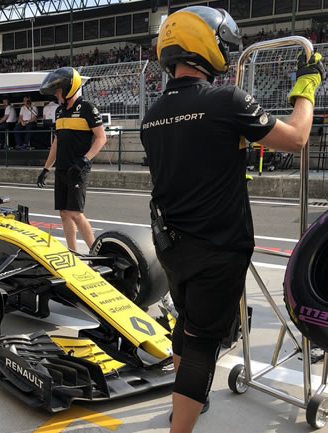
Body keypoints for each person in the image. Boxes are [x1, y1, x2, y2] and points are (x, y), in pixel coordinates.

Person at [141, 6, 323, 433]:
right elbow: (296, 138)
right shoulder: (225, 101)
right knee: (204, 341)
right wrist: (307, 87)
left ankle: (185, 406)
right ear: (208, 45)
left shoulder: (152, 115)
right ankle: (181, 425)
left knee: (186, 324)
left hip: (172, 246)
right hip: (218, 246)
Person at [36, 67, 107, 250]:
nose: (56, 94)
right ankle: (72, 253)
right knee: (64, 213)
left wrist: (85, 160)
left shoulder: (87, 109)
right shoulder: (59, 111)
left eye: (58, 90)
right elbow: (56, 142)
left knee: (75, 212)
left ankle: (95, 253)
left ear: (69, 88)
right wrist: (46, 169)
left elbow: (101, 138)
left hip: (78, 168)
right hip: (62, 167)